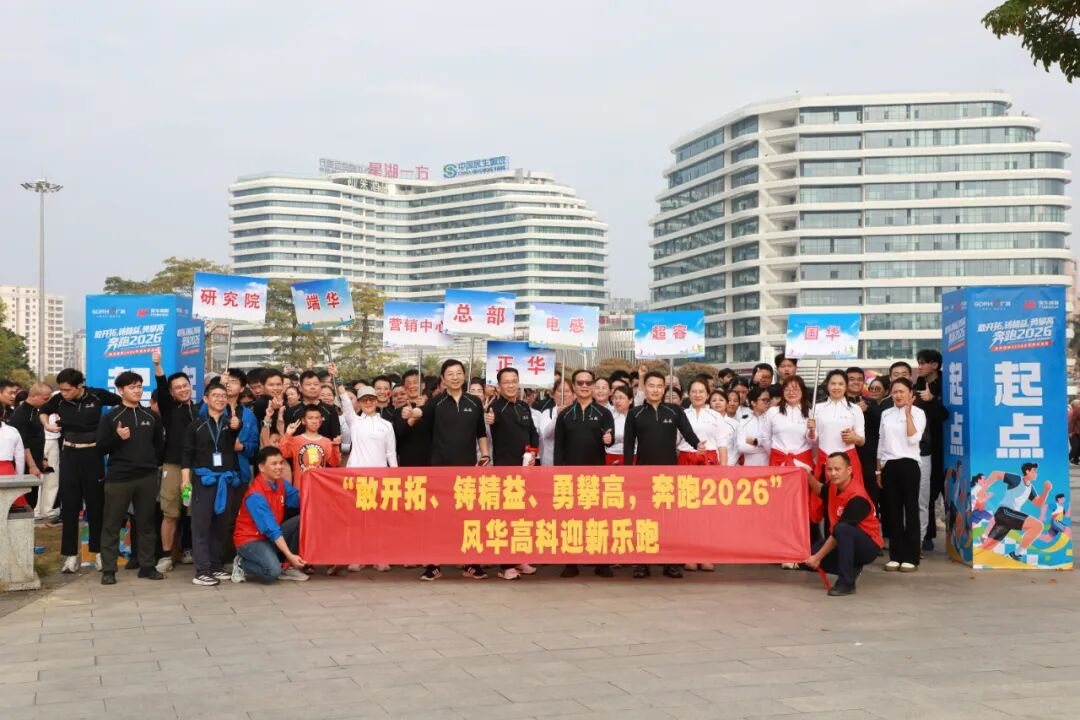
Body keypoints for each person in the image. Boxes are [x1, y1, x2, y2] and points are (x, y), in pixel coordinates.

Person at [410, 359, 489, 580]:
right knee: (438, 518)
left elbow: (481, 432)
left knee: (468, 518)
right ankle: (434, 564)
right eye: (450, 374)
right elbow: (420, 413)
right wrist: (412, 411)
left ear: (464, 376)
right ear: (443, 379)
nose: (455, 377)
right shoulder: (437, 402)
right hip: (440, 469)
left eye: (458, 373)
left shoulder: (474, 402)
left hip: (467, 470)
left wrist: (485, 455)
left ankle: (471, 563)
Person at [40, 369, 122, 574]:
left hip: (93, 455)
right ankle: (70, 557)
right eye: (61, 389)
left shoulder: (96, 395)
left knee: (95, 506)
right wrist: (47, 425)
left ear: (79, 386)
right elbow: (43, 410)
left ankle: (99, 554)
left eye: (67, 389)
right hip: (69, 455)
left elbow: (120, 402)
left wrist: (109, 428)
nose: (63, 393)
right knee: (69, 507)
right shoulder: (59, 399)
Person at [624, 370, 703, 579]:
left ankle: (671, 563)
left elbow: (688, 433)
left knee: (669, 520)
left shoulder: (674, 411)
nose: (655, 390)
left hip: (669, 475)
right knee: (644, 519)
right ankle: (641, 563)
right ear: (645, 388)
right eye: (651, 385)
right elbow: (628, 444)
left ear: (664, 389)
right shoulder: (635, 413)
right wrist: (627, 470)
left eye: (660, 386)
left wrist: (698, 444)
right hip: (643, 475)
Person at [95, 371, 165, 585]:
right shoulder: (111, 417)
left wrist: (151, 465)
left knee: (146, 523)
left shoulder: (151, 416)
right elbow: (101, 448)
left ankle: (147, 566)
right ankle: (109, 569)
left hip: (147, 477)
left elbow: (159, 447)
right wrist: (118, 438)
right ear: (120, 390)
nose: (137, 390)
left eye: (139, 386)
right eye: (132, 387)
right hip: (119, 478)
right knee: (112, 524)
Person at [181, 382, 244, 587]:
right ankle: (202, 570)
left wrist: (236, 427)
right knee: (201, 525)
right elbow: (186, 455)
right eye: (215, 395)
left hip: (226, 480)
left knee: (221, 525)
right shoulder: (196, 425)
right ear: (206, 399)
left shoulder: (230, 423)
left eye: (223, 396)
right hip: (204, 480)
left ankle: (215, 565)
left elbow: (234, 436)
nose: (220, 399)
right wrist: (185, 481)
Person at [555, 369, 615, 578]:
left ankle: (601, 562)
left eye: (588, 382)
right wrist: (558, 473)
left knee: (597, 519)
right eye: (580, 382)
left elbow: (610, 438)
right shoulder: (565, 414)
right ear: (574, 386)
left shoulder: (604, 413)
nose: (584, 386)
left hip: (595, 474)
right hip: (569, 475)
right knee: (571, 519)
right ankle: (571, 562)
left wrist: (609, 440)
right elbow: (558, 447)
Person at [484, 367, 540, 581]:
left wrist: (533, 454)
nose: (510, 385)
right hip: (504, 471)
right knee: (506, 518)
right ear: (499, 386)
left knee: (522, 516)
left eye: (514, 381)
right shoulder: (495, 407)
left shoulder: (524, 406)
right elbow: (489, 424)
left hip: (525, 469)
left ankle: (519, 558)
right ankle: (506, 565)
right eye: (506, 382)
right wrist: (489, 419)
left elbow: (533, 433)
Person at [803, 452, 883, 596]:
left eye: (837, 469)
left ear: (849, 470)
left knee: (842, 529)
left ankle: (846, 582)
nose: (833, 473)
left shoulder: (857, 498)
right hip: (844, 538)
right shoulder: (834, 486)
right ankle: (852, 567)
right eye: (829, 469)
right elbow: (821, 490)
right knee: (807, 559)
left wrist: (817, 558)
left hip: (867, 546)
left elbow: (838, 533)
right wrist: (808, 476)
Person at [231, 447, 309, 583]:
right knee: (272, 572)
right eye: (274, 464)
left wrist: (315, 489)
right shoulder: (255, 495)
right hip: (250, 540)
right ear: (261, 467)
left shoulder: (281, 483)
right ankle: (241, 564)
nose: (279, 467)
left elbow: (298, 499)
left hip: (269, 536)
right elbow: (272, 529)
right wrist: (289, 555)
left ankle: (287, 566)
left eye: (281, 462)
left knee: (302, 520)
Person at [877, 378, 926, 572]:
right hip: (889, 465)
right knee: (892, 511)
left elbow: (914, 438)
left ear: (910, 394)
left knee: (911, 510)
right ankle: (895, 555)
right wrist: (878, 469)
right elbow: (881, 442)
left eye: (902, 392)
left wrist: (907, 414)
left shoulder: (918, 413)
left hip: (909, 464)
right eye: (895, 392)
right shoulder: (886, 413)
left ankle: (911, 556)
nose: (898, 395)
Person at [979, 463, 1054, 563]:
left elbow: (1038, 503)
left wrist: (1046, 491)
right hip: (1005, 512)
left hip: (1008, 519)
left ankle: (978, 555)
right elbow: (996, 474)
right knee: (1038, 526)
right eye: (1034, 471)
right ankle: (1016, 554)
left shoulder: (1030, 488)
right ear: (1027, 471)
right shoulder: (1017, 479)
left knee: (985, 549)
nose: (1036, 473)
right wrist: (983, 489)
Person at [915, 349, 947, 552]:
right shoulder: (917, 385)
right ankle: (926, 535)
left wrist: (932, 400)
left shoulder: (948, 383)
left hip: (945, 444)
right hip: (924, 446)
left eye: (923, 363)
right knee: (926, 492)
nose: (919, 367)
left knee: (946, 490)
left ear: (934, 365)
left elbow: (945, 415)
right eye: (918, 362)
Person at [810, 370, 865, 483]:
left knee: (849, 493)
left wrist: (854, 438)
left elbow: (862, 441)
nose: (836, 387)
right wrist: (811, 430)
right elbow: (812, 439)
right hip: (824, 459)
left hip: (847, 460)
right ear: (827, 385)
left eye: (840, 384)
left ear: (846, 386)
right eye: (833, 383)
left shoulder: (855, 409)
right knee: (824, 493)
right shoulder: (817, 408)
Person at [7, 383, 52, 516]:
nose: (47, 402)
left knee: (33, 498)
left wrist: (43, 459)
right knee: (26, 501)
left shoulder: (35, 411)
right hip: (26, 465)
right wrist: (32, 465)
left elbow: (38, 437)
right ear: (34, 396)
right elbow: (23, 443)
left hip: (36, 459)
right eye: (45, 398)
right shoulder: (21, 414)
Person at [274, 404, 343, 483]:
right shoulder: (295, 440)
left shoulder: (327, 442)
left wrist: (335, 447)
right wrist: (288, 434)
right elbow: (281, 454)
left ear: (321, 421)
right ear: (303, 421)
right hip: (300, 486)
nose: (314, 421)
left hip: (319, 485)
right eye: (310, 418)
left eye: (317, 418)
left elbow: (334, 463)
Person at [846, 367, 881, 510]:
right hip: (846, 458)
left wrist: (868, 409)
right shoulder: (839, 403)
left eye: (860, 379)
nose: (856, 382)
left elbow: (882, 425)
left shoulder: (871, 402)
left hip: (868, 460)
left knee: (870, 500)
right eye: (851, 379)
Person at [679, 377, 729, 467]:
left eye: (701, 391)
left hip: (709, 460)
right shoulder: (681, 414)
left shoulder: (716, 416)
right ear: (688, 394)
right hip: (685, 460)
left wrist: (723, 468)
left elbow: (722, 443)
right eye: (694, 392)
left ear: (708, 395)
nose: (697, 395)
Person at [283, 370, 341, 442]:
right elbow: (287, 438)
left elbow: (336, 437)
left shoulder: (330, 410)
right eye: (308, 384)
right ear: (300, 388)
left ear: (320, 387)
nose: (312, 387)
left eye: (316, 384)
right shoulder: (291, 412)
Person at [392, 369, 431, 467]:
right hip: (408, 465)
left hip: (430, 464)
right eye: (409, 383)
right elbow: (400, 432)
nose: (412, 386)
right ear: (404, 387)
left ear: (423, 385)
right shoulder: (399, 411)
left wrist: (423, 408)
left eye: (416, 382)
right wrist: (411, 418)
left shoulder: (432, 407)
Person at [737, 387, 772, 467]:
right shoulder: (744, 421)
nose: (767, 403)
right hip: (750, 468)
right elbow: (741, 447)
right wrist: (764, 446)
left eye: (768, 400)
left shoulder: (773, 420)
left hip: (770, 466)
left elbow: (775, 445)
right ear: (753, 402)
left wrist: (755, 442)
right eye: (764, 400)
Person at [606, 386, 633, 466]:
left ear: (630, 400)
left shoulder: (637, 416)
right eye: (615, 398)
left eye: (621, 398)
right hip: (612, 456)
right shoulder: (608, 416)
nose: (617, 401)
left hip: (634, 456)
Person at [1069, 399, 1080, 465]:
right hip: (1075, 432)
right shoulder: (1077, 410)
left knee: (1077, 446)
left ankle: (1075, 459)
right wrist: (1071, 432)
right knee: (1076, 446)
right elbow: (1072, 422)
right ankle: (1068, 458)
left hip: (1077, 432)